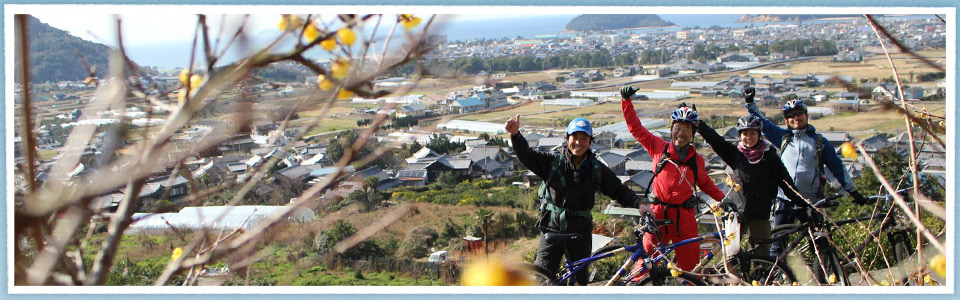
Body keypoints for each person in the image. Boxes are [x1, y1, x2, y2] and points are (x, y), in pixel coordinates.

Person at [505, 115, 653, 285]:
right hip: (552, 230)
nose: (578, 143)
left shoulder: (597, 168)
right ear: (567, 139)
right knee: (542, 281)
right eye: (574, 137)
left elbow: (618, 190)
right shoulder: (553, 162)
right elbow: (527, 155)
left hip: (580, 233)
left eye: (584, 138)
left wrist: (639, 204)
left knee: (579, 284)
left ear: (590, 141)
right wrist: (516, 135)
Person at [742, 87, 868, 256]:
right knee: (778, 244)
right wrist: (750, 103)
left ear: (806, 116)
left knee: (820, 243)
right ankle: (770, 278)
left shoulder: (819, 142)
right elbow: (762, 123)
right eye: (791, 116)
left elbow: (838, 168)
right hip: (785, 199)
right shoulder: (783, 137)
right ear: (786, 121)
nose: (796, 118)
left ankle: (824, 278)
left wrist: (853, 192)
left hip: (811, 201)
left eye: (799, 113)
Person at [619, 86, 725, 272]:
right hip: (657, 214)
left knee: (691, 266)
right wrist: (626, 102)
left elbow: (706, 184)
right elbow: (636, 129)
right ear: (672, 129)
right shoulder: (658, 148)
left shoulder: (696, 160)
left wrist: (724, 200)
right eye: (677, 128)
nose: (681, 133)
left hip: (684, 217)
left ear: (693, 134)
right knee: (646, 261)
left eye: (686, 129)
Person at [696, 114, 809, 255]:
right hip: (738, 214)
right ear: (740, 135)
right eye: (745, 133)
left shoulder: (770, 157)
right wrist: (700, 125)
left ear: (759, 134)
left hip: (760, 215)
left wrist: (804, 203)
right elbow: (716, 141)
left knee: (763, 258)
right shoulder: (736, 154)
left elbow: (786, 184)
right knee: (731, 256)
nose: (748, 137)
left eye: (752, 133)